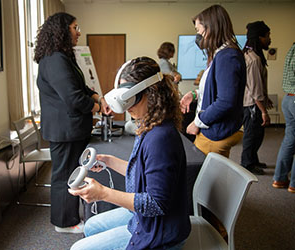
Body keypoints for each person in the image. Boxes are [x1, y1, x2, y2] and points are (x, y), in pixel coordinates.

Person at [69, 57, 190, 250]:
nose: (126, 107)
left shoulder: (160, 138)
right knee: (91, 225)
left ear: (152, 92)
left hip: (159, 231)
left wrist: (103, 194)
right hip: (146, 220)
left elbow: (155, 204)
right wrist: (108, 161)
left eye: (131, 98)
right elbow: (143, 173)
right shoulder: (149, 123)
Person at [33, 12, 111, 233]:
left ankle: (68, 218)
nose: (79, 32)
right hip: (64, 130)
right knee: (64, 176)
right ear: (62, 30)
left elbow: (81, 88)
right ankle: (64, 223)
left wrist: (98, 98)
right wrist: (97, 108)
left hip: (69, 129)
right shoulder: (55, 59)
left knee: (70, 173)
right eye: (75, 27)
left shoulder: (62, 57)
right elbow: (74, 98)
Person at [180, 4, 246, 158]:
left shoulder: (227, 56)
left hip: (214, 131)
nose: (197, 35)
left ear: (211, 27)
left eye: (198, 30)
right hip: (216, 128)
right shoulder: (221, 54)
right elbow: (218, 88)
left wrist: (197, 122)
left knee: (203, 179)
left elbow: (225, 101)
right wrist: (195, 94)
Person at [240, 21, 274, 175]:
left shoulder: (253, 55)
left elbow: (257, 86)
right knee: (251, 135)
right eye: (267, 36)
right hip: (252, 105)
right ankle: (247, 163)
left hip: (254, 103)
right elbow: (254, 88)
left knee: (257, 134)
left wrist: (266, 99)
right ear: (259, 37)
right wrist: (264, 111)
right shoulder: (253, 59)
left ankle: (253, 159)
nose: (269, 39)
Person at [273, 43, 295, 193]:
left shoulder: (291, 49)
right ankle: (294, 183)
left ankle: (280, 178)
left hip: (289, 99)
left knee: (290, 138)